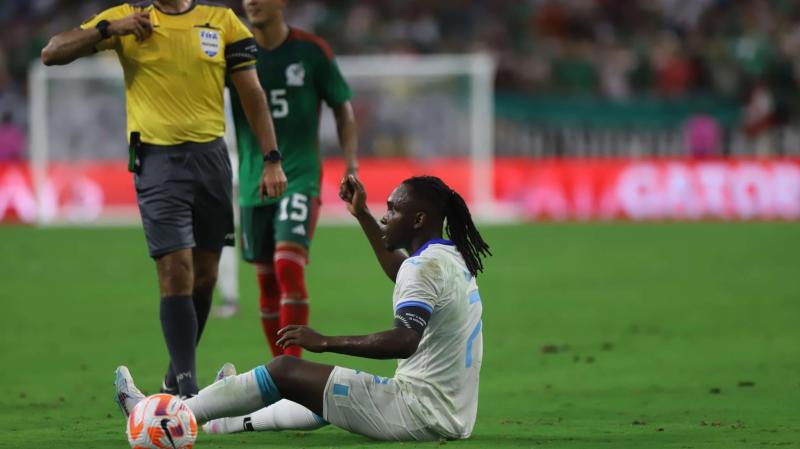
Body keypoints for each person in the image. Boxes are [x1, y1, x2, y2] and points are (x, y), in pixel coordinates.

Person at [115, 175, 492, 441]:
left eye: (392, 210)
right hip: (453, 415)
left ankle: (167, 414)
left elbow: (405, 340)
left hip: (419, 413)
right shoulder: (449, 258)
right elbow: (400, 271)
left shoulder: (422, 268)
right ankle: (221, 419)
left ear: (418, 219)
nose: (384, 216)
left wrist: (325, 341)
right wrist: (361, 214)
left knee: (286, 369)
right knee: (319, 392)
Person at [40, 0, 288, 402]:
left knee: (205, 276)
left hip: (211, 160)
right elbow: (52, 52)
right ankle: (188, 393)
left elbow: (252, 95)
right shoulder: (128, 17)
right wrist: (110, 29)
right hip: (157, 161)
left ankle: (172, 383)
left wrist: (271, 159)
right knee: (176, 270)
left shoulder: (223, 22)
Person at [211, 0, 358, 357]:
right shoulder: (234, 53)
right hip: (252, 181)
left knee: (287, 266)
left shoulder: (311, 51)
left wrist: (351, 166)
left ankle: (292, 367)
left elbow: (342, 107)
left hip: (300, 176)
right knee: (266, 282)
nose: (252, 2)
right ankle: (281, 370)